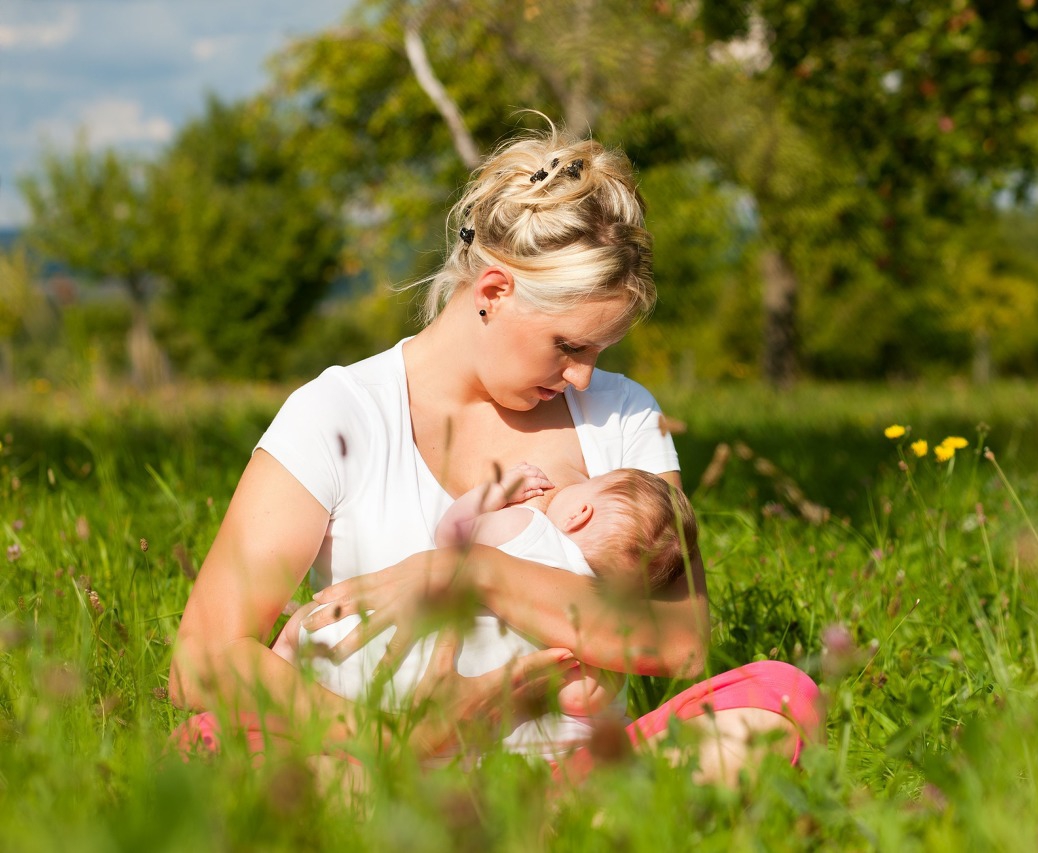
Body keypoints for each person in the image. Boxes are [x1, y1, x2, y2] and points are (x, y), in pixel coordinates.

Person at [169, 123, 822, 784]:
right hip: (377, 757)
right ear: (493, 292)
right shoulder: (341, 412)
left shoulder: (622, 415)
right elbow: (203, 658)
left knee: (778, 698)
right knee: (212, 740)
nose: (583, 378)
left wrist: (476, 573)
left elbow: (677, 640)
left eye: (599, 352)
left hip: (565, 765)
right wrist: (399, 736)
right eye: (569, 346)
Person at [272, 463, 697, 757]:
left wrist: (494, 495)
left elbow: (450, 536)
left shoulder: (527, 528)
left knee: (303, 630)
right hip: (471, 710)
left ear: (581, 513)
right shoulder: (602, 617)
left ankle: (277, 671)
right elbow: (580, 697)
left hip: (402, 662)